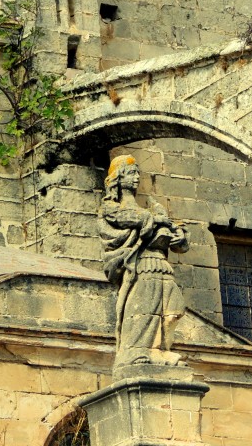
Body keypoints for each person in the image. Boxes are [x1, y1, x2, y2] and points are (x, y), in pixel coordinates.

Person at [99, 155, 189, 368]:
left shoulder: (151, 208)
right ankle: (136, 352)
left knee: (172, 312)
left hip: (162, 265)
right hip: (141, 265)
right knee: (144, 311)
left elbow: (178, 238)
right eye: (131, 173)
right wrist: (156, 220)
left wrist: (179, 235)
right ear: (118, 178)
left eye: (138, 173)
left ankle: (162, 350)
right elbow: (128, 219)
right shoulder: (111, 208)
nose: (137, 177)